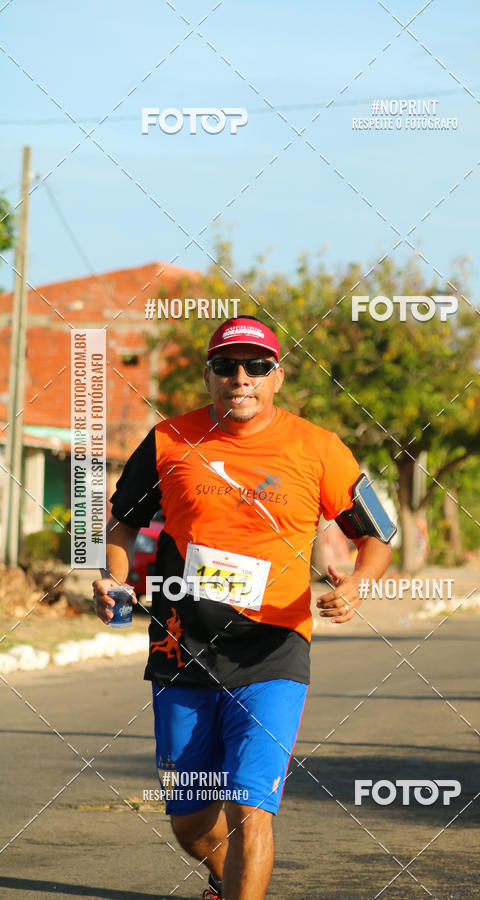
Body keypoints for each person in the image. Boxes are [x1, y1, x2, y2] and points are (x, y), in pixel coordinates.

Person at [93, 316, 394, 900]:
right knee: (189, 821)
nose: (241, 378)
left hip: (274, 649)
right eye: (226, 366)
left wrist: (359, 582)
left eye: (257, 367)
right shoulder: (168, 440)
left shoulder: (319, 448)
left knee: (249, 808)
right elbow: (124, 524)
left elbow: (376, 534)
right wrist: (113, 579)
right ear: (208, 376)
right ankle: (223, 879)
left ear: (277, 377)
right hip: (181, 647)